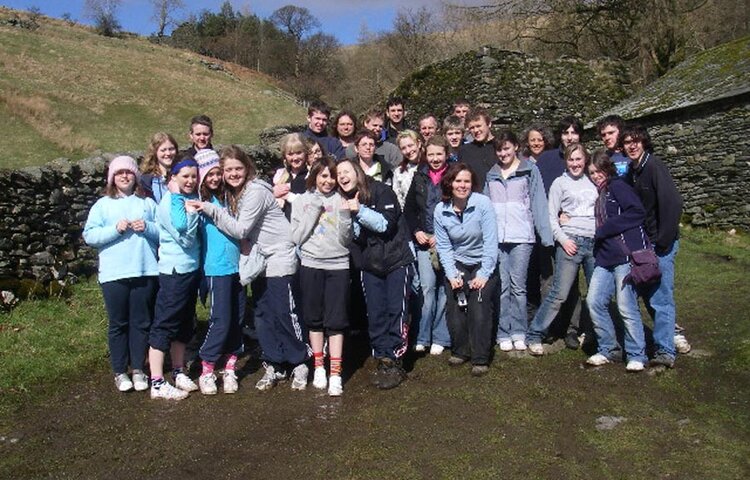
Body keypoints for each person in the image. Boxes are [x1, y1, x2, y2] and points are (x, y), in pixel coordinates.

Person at [194, 146, 310, 391]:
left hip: (279, 254)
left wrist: (211, 209)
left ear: (247, 168)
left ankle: (299, 360)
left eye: (238, 168)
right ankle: (274, 361)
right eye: (228, 170)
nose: (233, 174)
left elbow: (241, 229)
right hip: (259, 260)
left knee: (283, 310)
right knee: (262, 313)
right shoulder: (236, 193)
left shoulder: (255, 191)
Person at [83, 156, 159, 393]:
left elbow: (164, 234)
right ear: (112, 178)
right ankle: (119, 371)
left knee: (141, 322)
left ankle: (137, 368)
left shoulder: (147, 203)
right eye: (119, 173)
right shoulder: (102, 205)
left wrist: (147, 228)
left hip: (145, 270)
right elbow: (90, 236)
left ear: (136, 176)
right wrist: (114, 230)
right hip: (114, 274)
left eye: (129, 172)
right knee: (118, 323)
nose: (124, 176)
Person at [337, 159, 414, 390]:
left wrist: (359, 210)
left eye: (346, 171)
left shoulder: (382, 191)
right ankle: (383, 357)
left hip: (396, 261)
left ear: (357, 172)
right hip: (370, 265)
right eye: (338, 173)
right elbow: (355, 237)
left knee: (396, 311)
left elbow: (385, 226)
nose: (342, 176)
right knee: (376, 313)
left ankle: (396, 358)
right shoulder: (345, 201)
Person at [621, 124, 684, 367]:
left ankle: (665, 351)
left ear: (644, 142)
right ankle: (658, 344)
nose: (632, 145)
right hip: (645, 244)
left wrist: (663, 242)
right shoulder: (633, 171)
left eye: (636, 141)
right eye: (627, 142)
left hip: (660, 244)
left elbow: (673, 204)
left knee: (661, 297)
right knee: (648, 294)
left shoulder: (654, 167)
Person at [527, 143, 598, 355]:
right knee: (559, 293)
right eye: (571, 160)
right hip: (570, 243)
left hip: (594, 244)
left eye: (578, 159)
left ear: (585, 160)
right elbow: (551, 216)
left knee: (597, 294)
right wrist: (563, 239)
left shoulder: (594, 181)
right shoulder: (560, 183)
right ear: (565, 161)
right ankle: (535, 333)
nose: (575, 164)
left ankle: (596, 334)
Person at [485, 131, 552, 351]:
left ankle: (519, 331)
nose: (503, 153)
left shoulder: (528, 171)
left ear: (515, 147)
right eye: (499, 149)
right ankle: (504, 332)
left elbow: (539, 203)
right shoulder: (491, 174)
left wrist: (546, 235)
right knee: (502, 287)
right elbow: (485, 208)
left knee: (519, 286)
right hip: (498, 239)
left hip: (522, 236)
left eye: (506, 148)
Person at [290, 157, 353, 396]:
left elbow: (346, 239)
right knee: (314, 318)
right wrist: (314, 210)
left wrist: (346, 216)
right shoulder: (302, 201)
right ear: (315, 176)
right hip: (311, 263)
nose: (328, 181)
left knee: (336, 320)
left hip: (338, 265)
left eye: (332, 176)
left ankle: (335, 372)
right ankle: (318, 366)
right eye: (323, 176)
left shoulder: (341, 200)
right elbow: (297, 237)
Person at [586, 150, 649, 372]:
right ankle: (608, 348)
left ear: (608, 169)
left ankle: (636, 354)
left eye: (599, 171)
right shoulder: (600, 193)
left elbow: (636, 212)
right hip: (604, 257)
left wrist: (606, 229)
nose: (596, 176)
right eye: (592, 172)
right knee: (594, 301)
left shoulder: (618, 187)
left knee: (626, 306)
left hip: (624, 256)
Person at [434, 163, 498, 375]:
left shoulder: (483, 204)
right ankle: (461, 350)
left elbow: (491, 242)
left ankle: (480, 357)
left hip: (482, 261)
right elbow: (443, 246)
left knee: (479, 306)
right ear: (450, 183)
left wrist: (483, 274)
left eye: (466, 181)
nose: (462, 185)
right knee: (455, 306)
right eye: (458, 181)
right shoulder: (441, 210)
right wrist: (452, 274)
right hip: (458, 261)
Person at [148, 157, 202, 400]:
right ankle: (157, 381)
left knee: (183, 323)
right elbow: (186, 238)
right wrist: (191, 215)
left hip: (190, 270)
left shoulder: (184, 199)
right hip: (174, 272)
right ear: (174, 178)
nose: (190, 180)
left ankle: (179, 370)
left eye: (193, 176)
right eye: (185, 176)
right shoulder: (170, 202)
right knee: (165, 323)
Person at [194, 149, 244, 394]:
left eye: (218, 173)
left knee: (238, 317)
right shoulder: (201, 202)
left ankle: (231, 366)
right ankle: (207, 367)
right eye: (209, 174)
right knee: (220, 319)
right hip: (217, 268)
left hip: (239, 266)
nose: (214, 178)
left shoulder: (231, 197)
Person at [404, 136, 452, 355]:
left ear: (446, 154)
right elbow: (409, 210)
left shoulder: (454, 175)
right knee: (426, 288)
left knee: (445, 289)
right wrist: (416, 231)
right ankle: (423, 335)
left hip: (448, 241)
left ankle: (440, 336)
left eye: (439, 154)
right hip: (424, 241)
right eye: (431, 154)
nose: (435, 158)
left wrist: (442, 236)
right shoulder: (419, 176)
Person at [272, 133, 311, 219]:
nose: (295, 158)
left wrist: (287, 196)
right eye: (290, 154)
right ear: (285, 156)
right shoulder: (279, 174)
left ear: (305, 153)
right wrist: (272, 192)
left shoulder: (310, 175)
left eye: (299, 153)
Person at [458, 108, 496, 187]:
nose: (476, 130)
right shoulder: (465, 151)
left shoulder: (501, 147)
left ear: (489, 124)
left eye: (479, 126)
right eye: (472, 128)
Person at [140, 132, 178, 204]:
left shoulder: (182, 174)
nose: (168, 153)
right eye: (163, 150)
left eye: (171, 149)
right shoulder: (146, 180)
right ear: (155, 152)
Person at [393, 130, 423, 208]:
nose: (408, 151)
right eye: (403, 148)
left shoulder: (430, 166)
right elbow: (398, 198)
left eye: (410, 145)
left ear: (418, 144)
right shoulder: (399, 172)